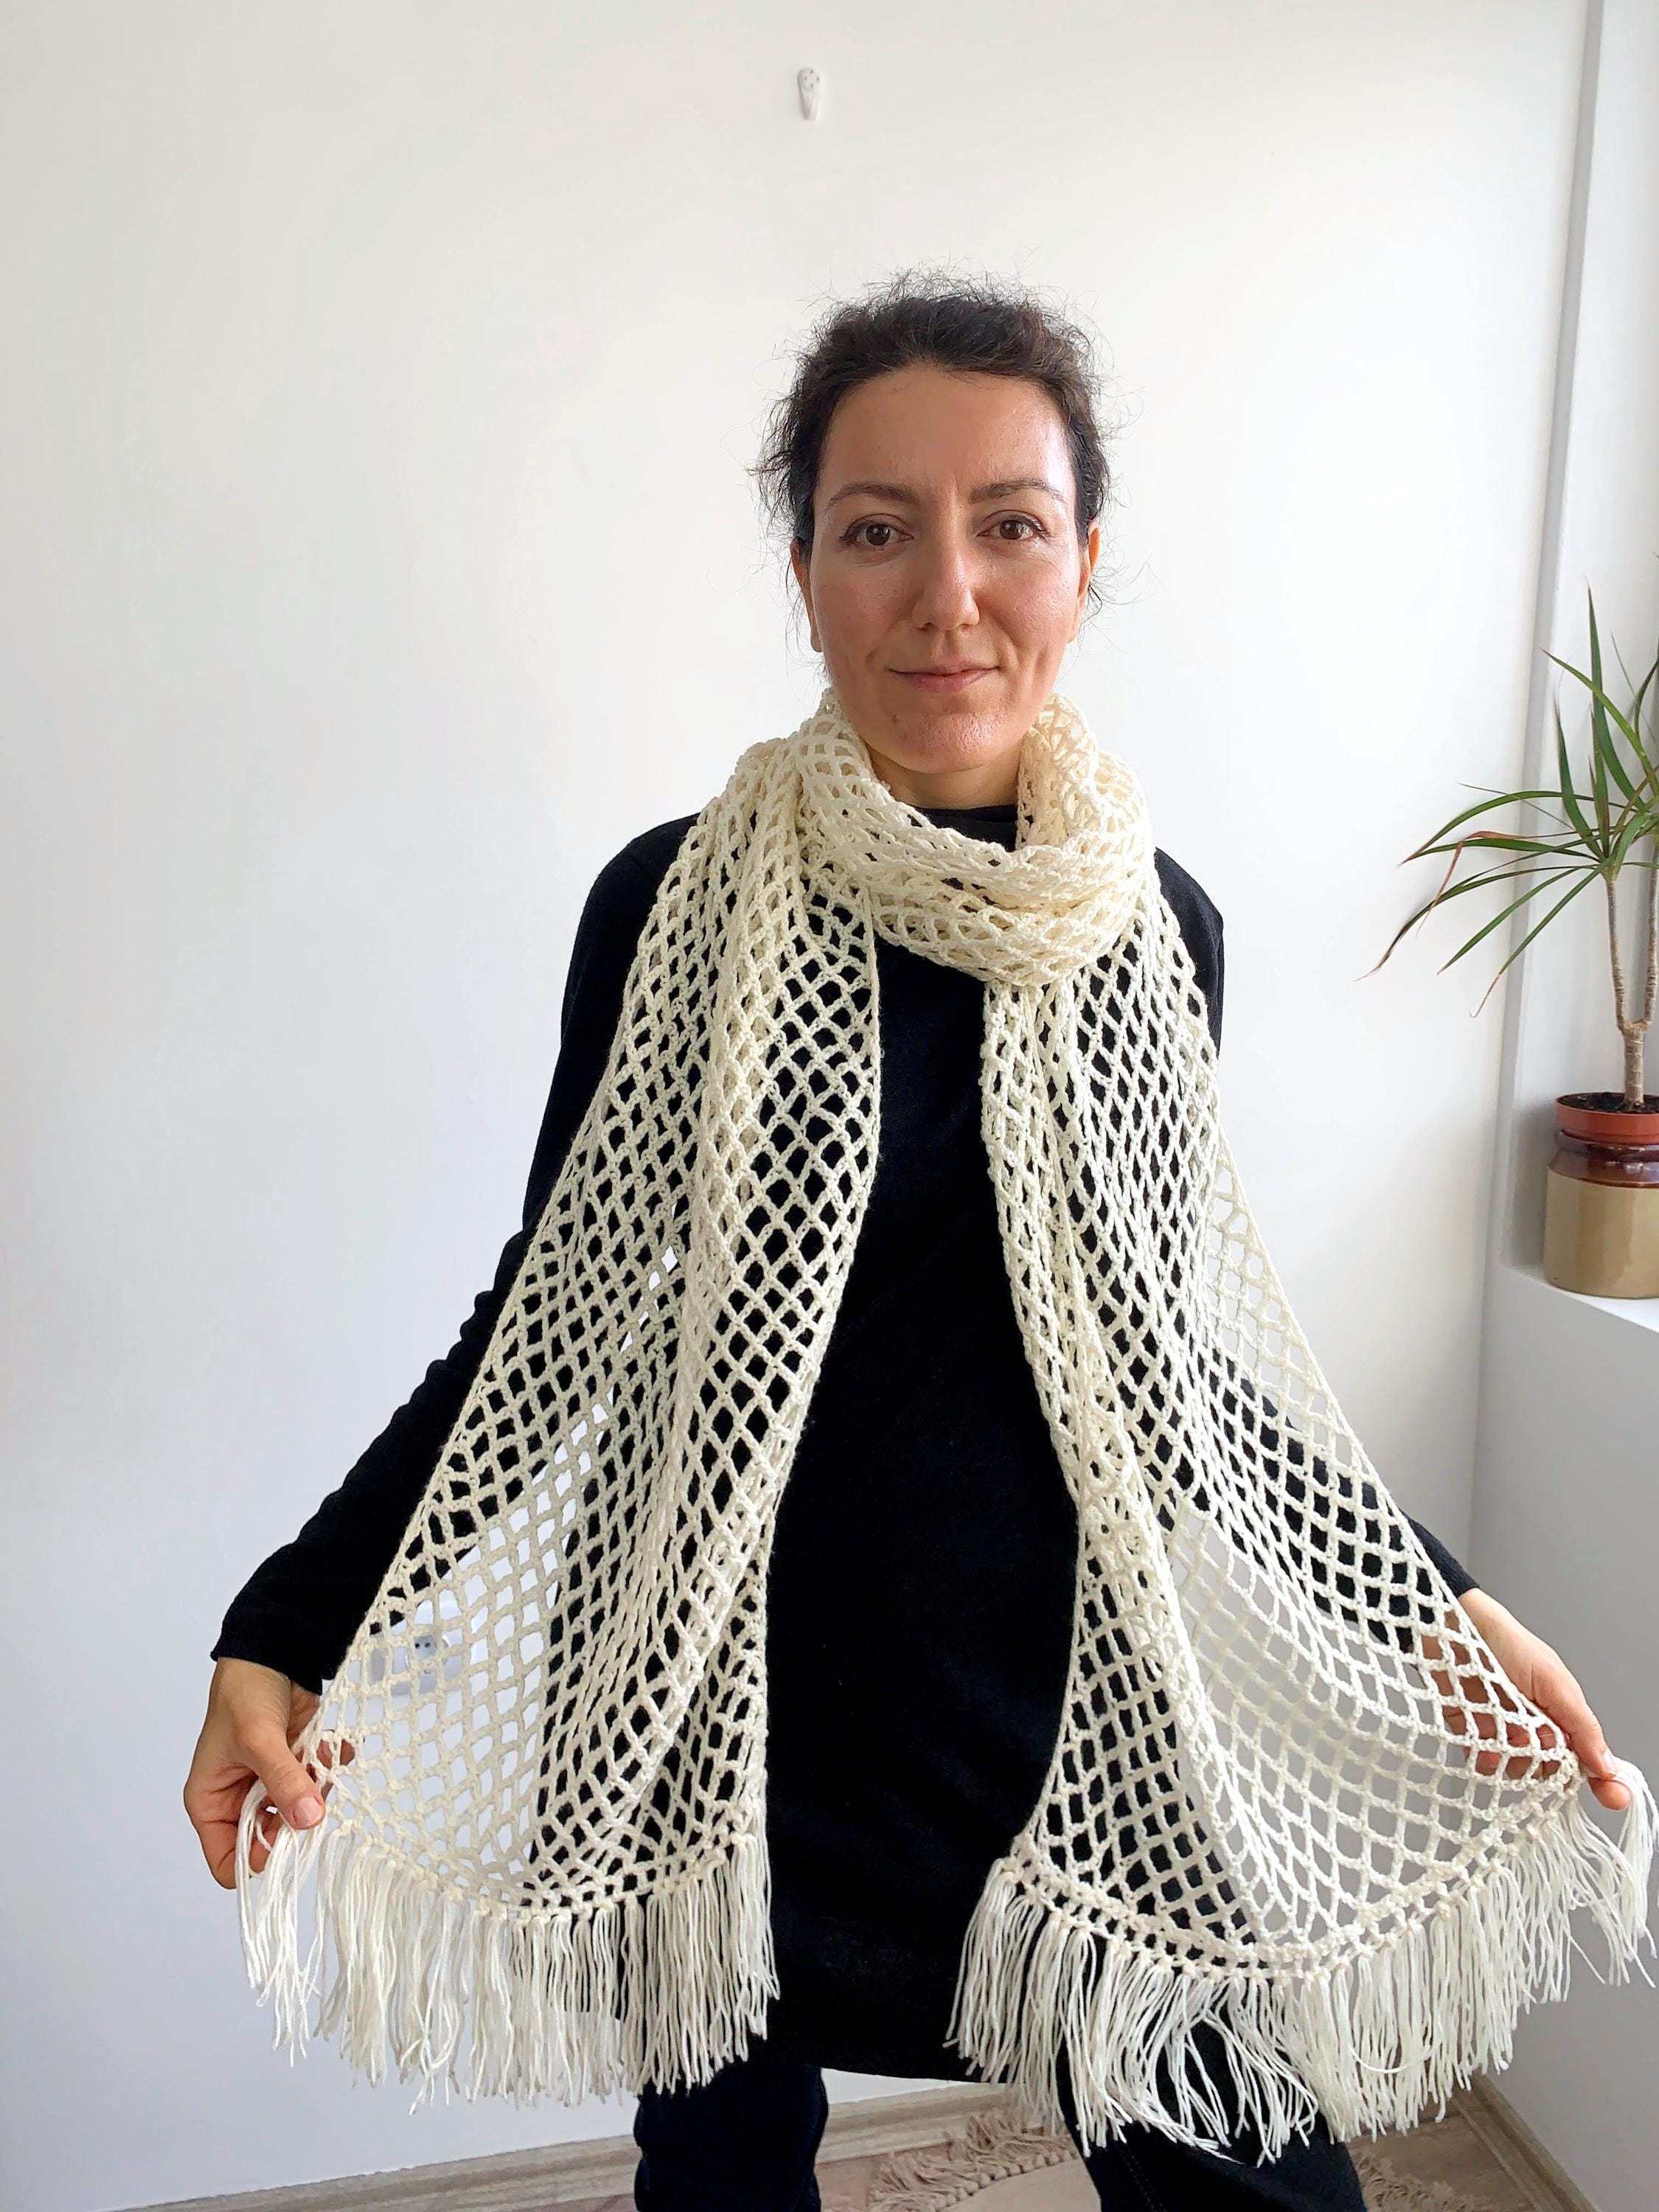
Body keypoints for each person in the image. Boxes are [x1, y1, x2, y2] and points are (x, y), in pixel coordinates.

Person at [184, 272, 1632, 2211]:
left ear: (1086, 561)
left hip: (1066, 1699)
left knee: (1253, 2174)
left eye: (1009, 525)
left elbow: (1163, 1368)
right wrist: (290, 1622)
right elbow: (550, 1325)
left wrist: (1430, 1602)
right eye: (877, 531)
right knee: (722, 2177)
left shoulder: (1156, 930)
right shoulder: (666, 909)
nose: (947, 595)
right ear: (804, 574)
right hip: (712, 1702)